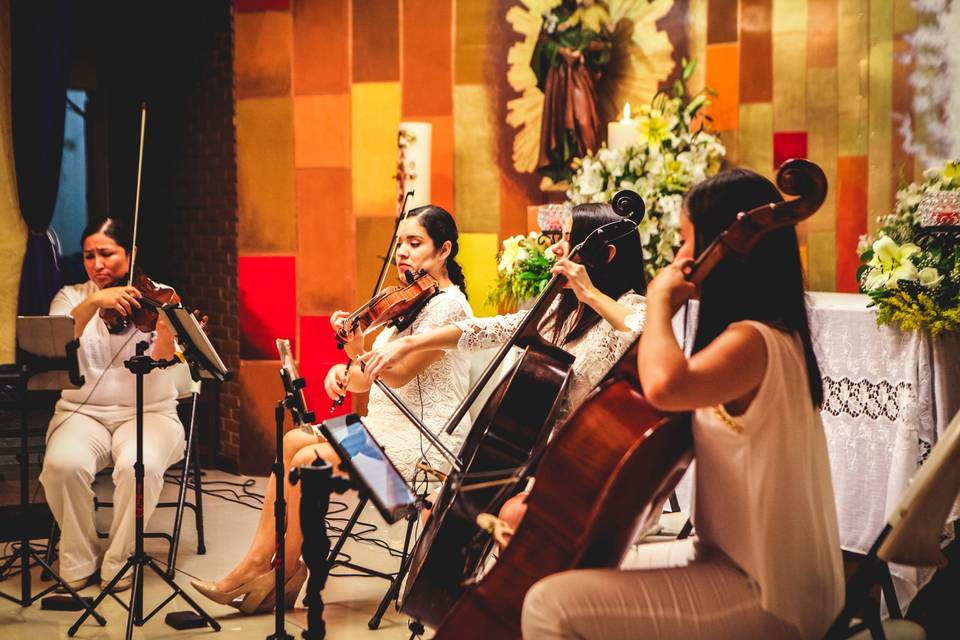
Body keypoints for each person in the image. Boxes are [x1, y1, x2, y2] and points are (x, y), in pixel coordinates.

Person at [520, 169, 844, 640]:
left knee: (549, 605)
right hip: (726, 559)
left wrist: (658, 302)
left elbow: (663, 388)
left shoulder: (752, 341)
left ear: (729, 248)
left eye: (686, 241)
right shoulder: (761, 334)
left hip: (771, 593)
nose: (679, 258)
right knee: (565, 574)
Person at [191, 205, 474, 614]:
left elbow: (395, 375)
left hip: (422, 449)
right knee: (292, 440)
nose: (403, 253)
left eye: (415, 243)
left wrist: (358, 356)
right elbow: (364, 380)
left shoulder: (448, 307)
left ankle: (268, 569)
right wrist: (345, 368)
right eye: (400, 244)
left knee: (306, 460)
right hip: (382, 430)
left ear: (444, 249)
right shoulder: (400, 313)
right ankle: (278, 569)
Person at [364, 202, 647, 451]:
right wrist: (410, 342)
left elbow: (640, 333)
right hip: (543, 450)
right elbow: (494, 328)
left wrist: (591, 294)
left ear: (606, 255)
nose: (556, 247)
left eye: (569, 239)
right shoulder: (559, 311)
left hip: (591, 453)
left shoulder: (633, 307)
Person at [39, 217, 185, 593]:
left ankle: (120, 560)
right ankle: (78, 557)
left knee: (141, 465)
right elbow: (54, 347)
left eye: (106, 254)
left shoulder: (161, 297)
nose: (97, 264)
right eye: (89, 256)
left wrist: (167, 327)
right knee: (61, 466)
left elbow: (169, 361)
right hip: (81, 413)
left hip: (150, 413)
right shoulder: (72, 296)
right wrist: (93, 302)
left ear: (130, 253)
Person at [531, 0, 612, 189]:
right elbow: (542, 45)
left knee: (585, 122)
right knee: (558, 123)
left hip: (581, 73)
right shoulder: (553, 16)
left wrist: (588, 48)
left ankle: (588, 169)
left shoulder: (589, 12)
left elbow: (606, 44)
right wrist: (561, 51)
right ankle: (560, 170)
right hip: (559, 77)